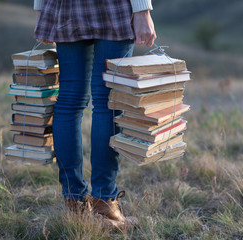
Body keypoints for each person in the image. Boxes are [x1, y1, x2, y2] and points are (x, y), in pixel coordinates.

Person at [33, 0, 156, 228]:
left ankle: (75, 203)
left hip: (66, 7)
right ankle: (104, 202)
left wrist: (41, 9)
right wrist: (142, 9)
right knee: (108, 102)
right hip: (112, 6)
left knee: (69, 102)